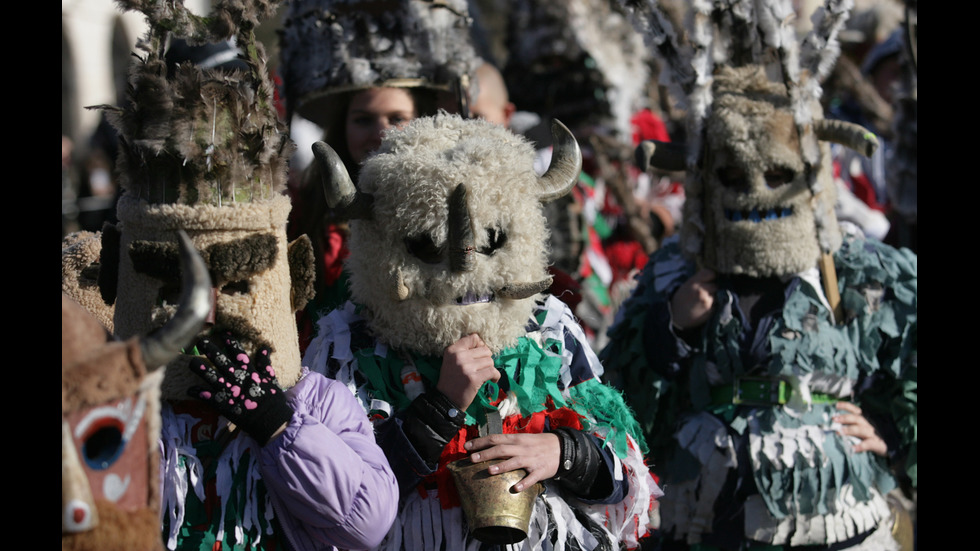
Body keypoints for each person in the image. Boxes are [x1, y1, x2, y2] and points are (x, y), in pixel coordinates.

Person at [82, 2, 400, 548]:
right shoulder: (104, 406)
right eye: (173, 291)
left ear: (295, 282)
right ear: (117, 276)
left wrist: (279, 425)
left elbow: (368, 523)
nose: (206, 314)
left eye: (239, 285)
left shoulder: (316, 401)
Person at [601, 2, 916, 550]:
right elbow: (621, 405)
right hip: (704, 523)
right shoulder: (673, 274)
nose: (753, 191)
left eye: (776, 174)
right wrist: (670, 329)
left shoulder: (859, 271)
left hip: (834, 521)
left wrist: (887, 434)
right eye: (730, 175)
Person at [304, 113, 660, 550]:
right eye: (427, 246)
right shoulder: (346, 342)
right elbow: (330, 503)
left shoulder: (548, 326)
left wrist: (562, 452)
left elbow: (627, 473)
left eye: (493, 240)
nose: (465, 273)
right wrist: (439, 407)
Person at [278, 0, 482, 353]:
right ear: (342, 125)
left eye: (396, 117)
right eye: (363, 119)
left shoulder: (457, 198)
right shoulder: (305, 204)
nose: (381, 133)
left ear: (421, 119)